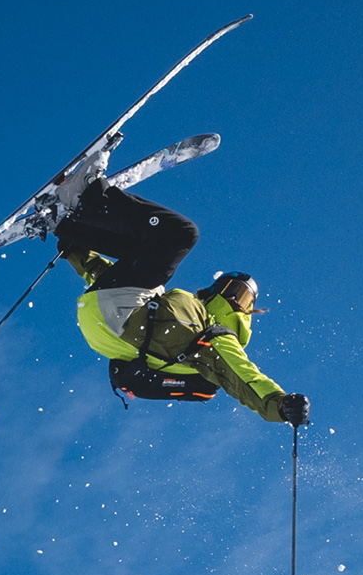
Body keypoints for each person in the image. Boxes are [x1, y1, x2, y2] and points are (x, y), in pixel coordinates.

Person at [52, 179, 310, 426]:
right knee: (144, 244)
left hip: (122, 320)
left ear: (248, 312)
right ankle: (66, 224)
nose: (234, 297)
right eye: (232, 288)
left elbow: (243, 376)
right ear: (214, 289)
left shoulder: (218, 336)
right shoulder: (174, 309)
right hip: (106, 321)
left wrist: (278, 404)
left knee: (182, 234)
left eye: (243, 297)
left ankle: (90, 198)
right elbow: (111, 281)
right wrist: (75, 250)